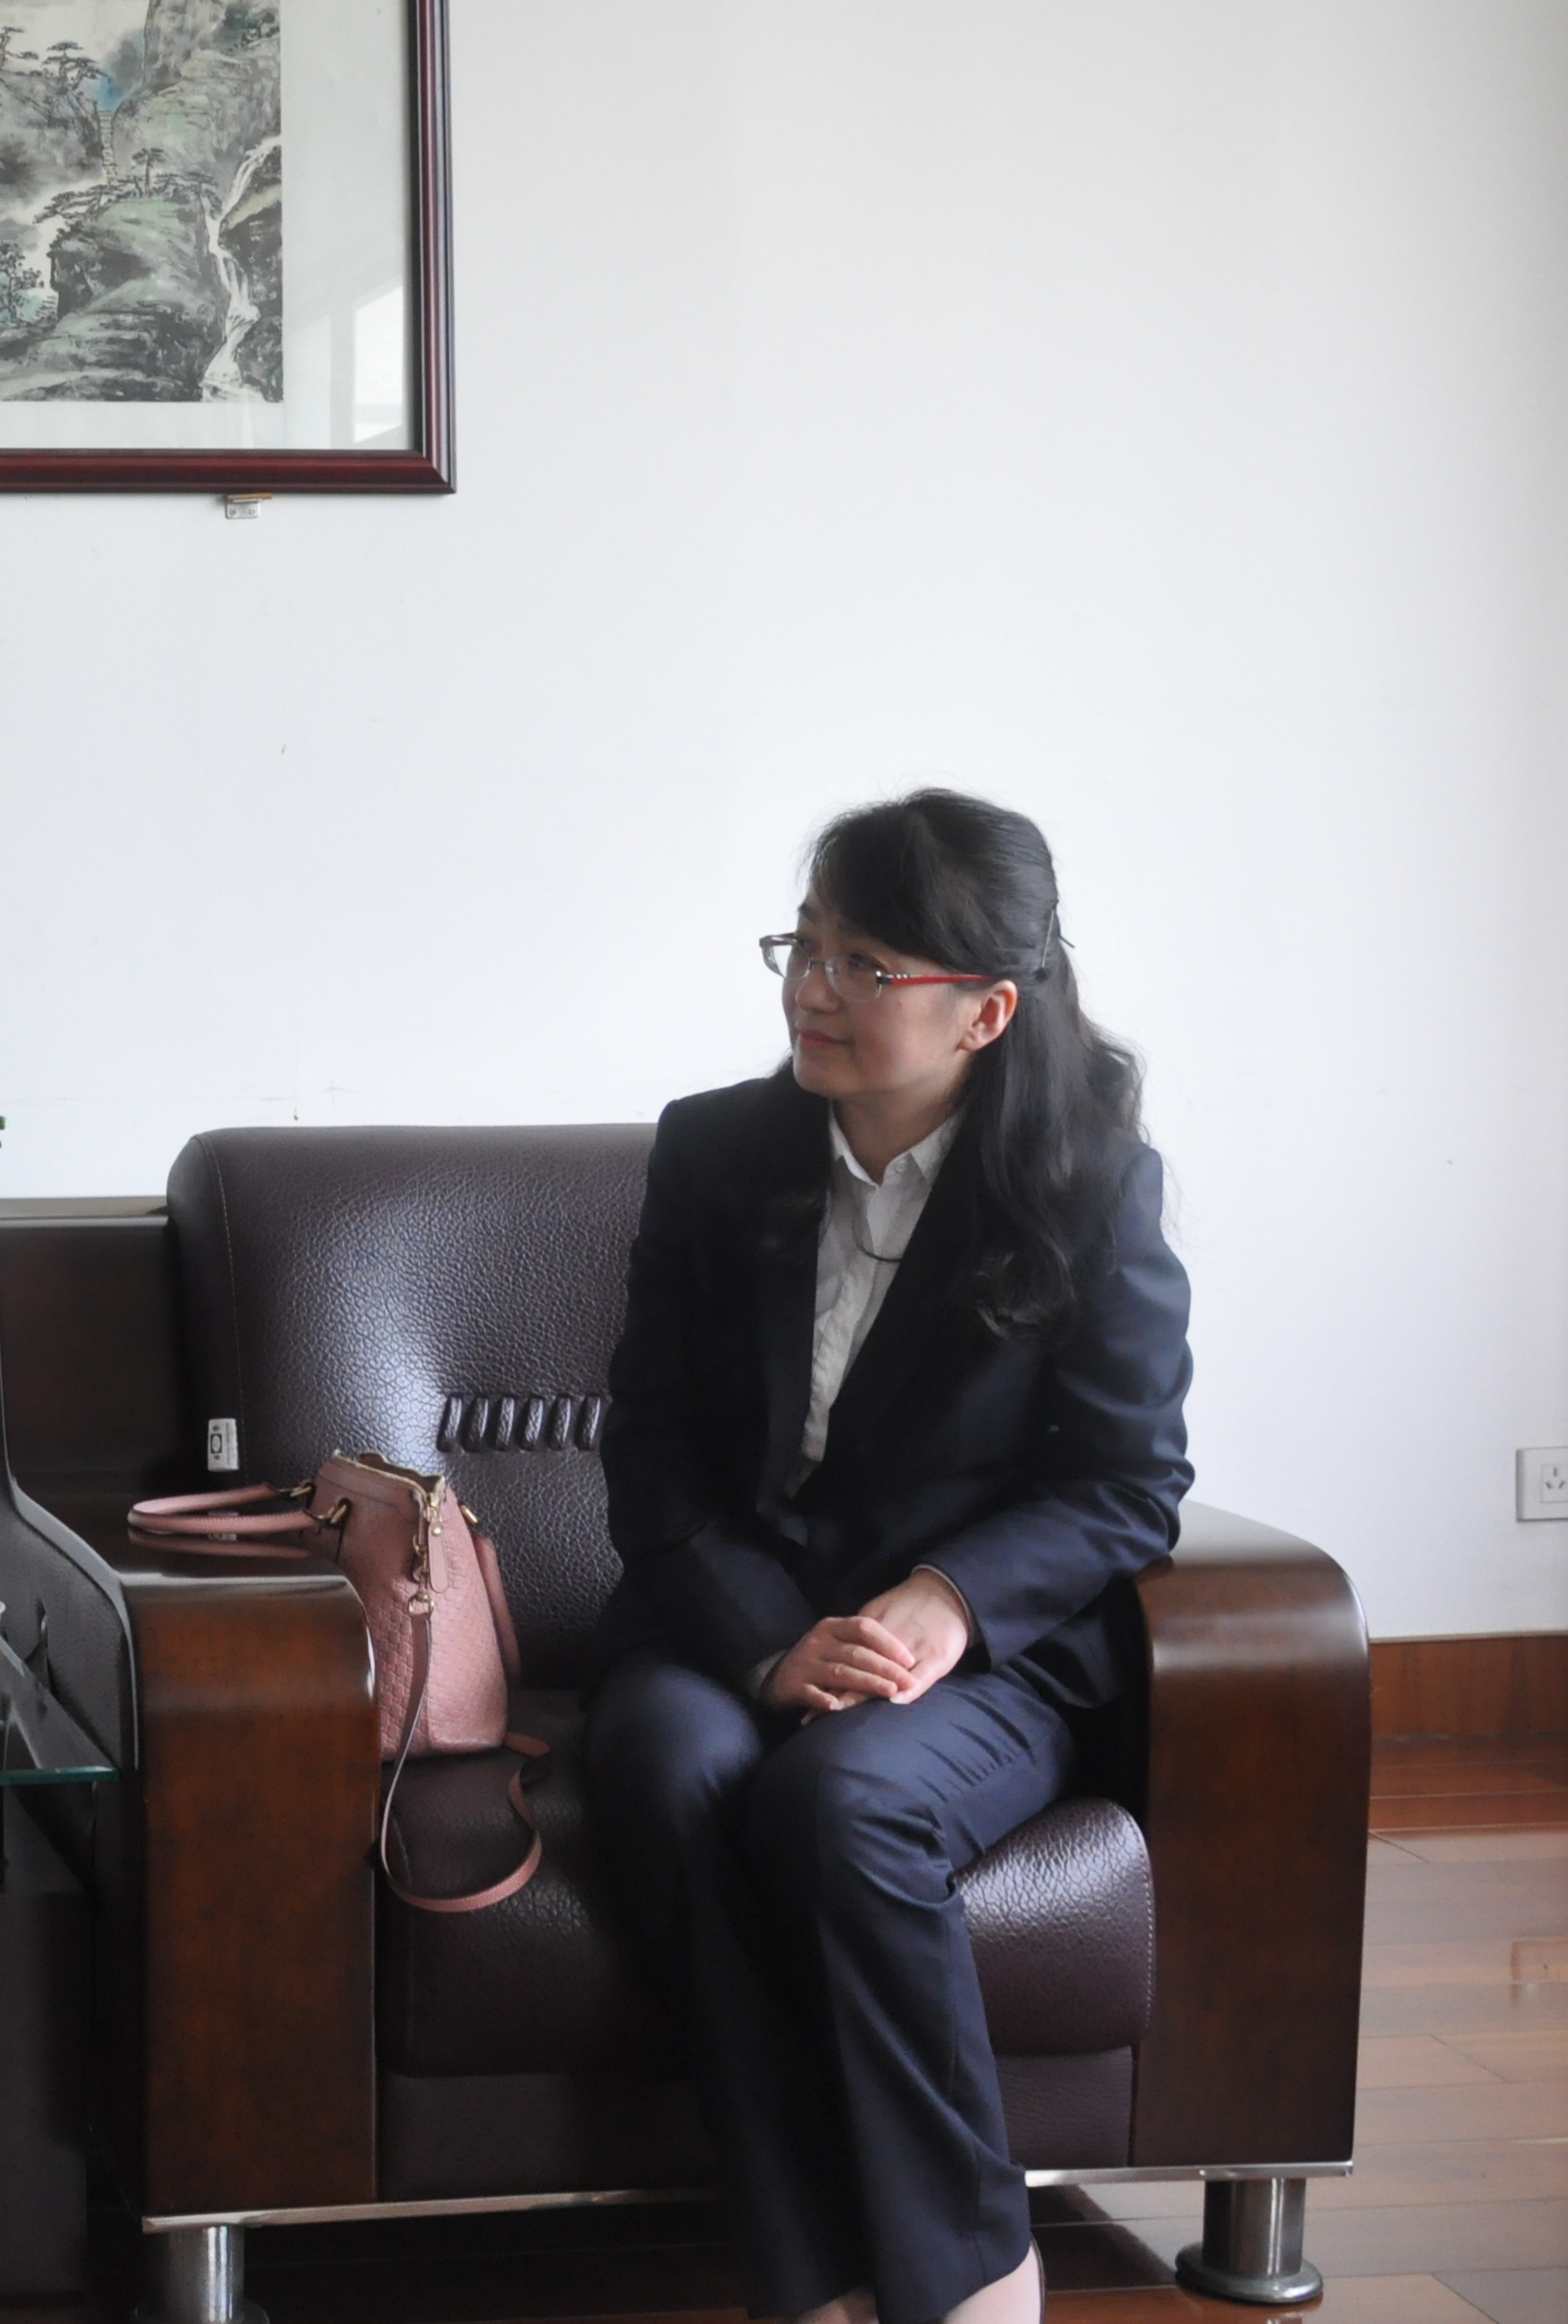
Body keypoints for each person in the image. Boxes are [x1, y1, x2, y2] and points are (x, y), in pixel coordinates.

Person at [588, 791, 1193, 2324]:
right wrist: (764, 1642)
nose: (813, 987)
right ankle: (810, 2272)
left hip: (971, 1658)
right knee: (670, 1768)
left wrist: (947, 1601)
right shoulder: (715, 1152)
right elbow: (648, 1449)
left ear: (986, 1011)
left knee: (842, 1800)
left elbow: (1129, 1483)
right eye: (805, 946)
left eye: (865, 963)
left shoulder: (1088, 1185)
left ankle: (971, 2262)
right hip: (725, 1621)